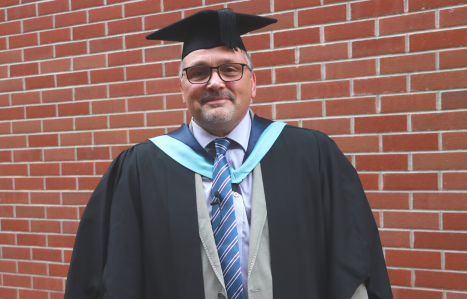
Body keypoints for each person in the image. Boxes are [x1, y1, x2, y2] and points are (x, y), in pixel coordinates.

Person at [64, 9, 393, 299]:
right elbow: (108, 277)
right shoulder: (139, 170)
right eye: (198, 72)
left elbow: (355, 264)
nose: (214, 83)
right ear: (182, 88)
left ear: (253, 83)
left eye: (230, 69)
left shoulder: (314, 156)